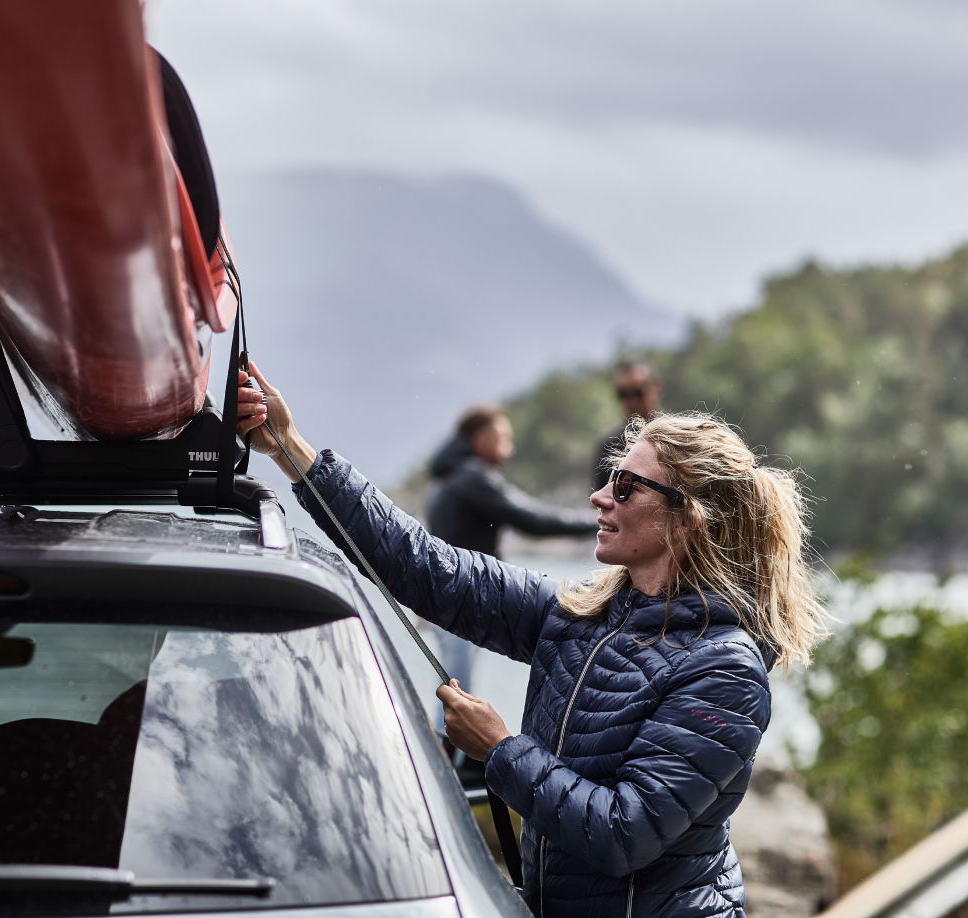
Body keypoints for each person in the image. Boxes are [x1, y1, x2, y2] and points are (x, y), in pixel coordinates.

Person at [236, 362, 828, 917]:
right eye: (610, 479)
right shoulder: (581, 614)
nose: (600, 496)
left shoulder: (724, 671)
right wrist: (290, 448)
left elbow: (623, 833)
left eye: (625, 486)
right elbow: (424, 567)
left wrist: (499, 750)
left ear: (686, 518)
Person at [424, 405, 594, 717]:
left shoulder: (451, 476)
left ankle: (447, 742)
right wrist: (596, 521)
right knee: (457, 695)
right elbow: (530, 519)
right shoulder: (473, 477)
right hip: (457, 598)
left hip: (445, 595)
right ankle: (446, 745)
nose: (509, 446)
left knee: (454, 688)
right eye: (502, 437)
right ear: (481, 439)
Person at [593, 361, 663, 492]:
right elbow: (598, 497)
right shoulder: (610, 446)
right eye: (623, 394)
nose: (631, 401)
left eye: (637, 393)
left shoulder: (676, 437)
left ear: (656, 387)